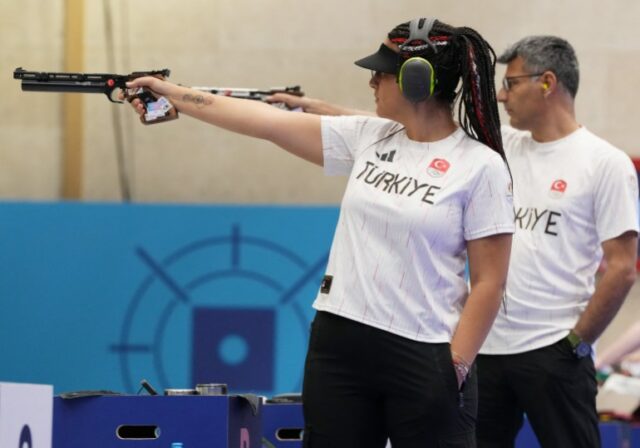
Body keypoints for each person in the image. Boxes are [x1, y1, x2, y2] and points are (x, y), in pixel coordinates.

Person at [126, 17, 514, 447]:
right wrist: (174, 92)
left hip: (425, 351)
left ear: (415, 80)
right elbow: (263, 122)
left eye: (380, 73)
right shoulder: (370, 136)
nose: (371, 82)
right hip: (341, 342)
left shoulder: (481, 167)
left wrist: (455, 366)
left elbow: (489, 283)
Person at [269, 35, 640, 448]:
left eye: (512, 83)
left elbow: (623, 267)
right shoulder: (495, 148)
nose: (500, 95)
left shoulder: (605, 164)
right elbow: (392, 128)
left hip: (552, 349)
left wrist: (576, 342)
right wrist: (312, 109)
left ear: (548, 83)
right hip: (486, 347)